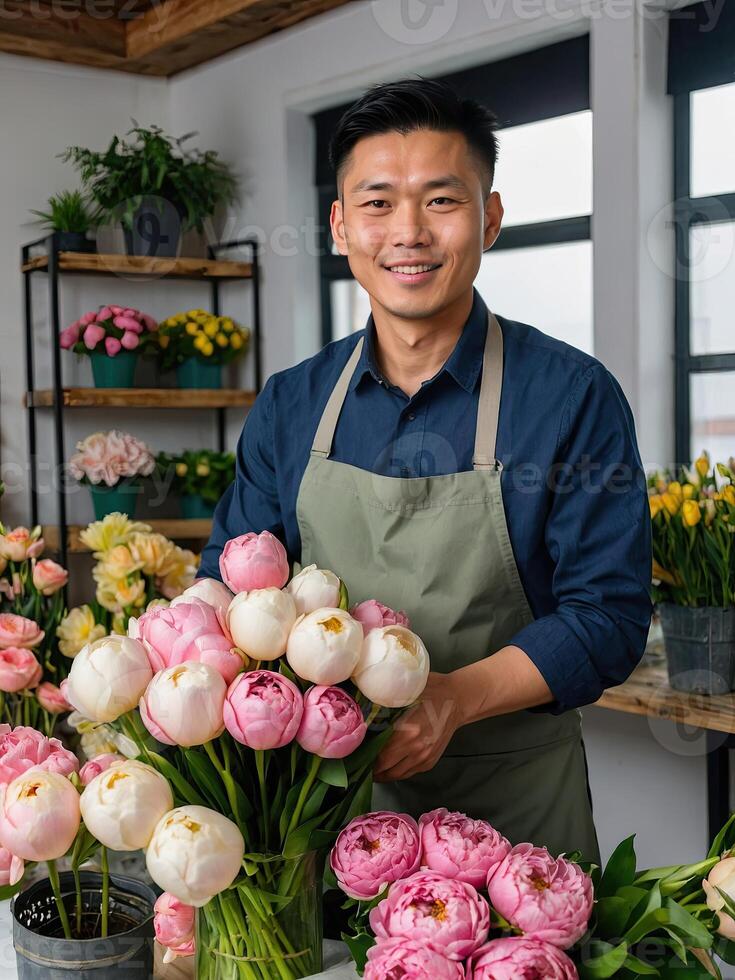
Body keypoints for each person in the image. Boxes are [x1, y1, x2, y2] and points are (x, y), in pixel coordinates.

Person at [199, 77, 653, 865]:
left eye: (441, 201)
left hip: (512, 820)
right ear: (340, 226)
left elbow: (606, 618)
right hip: (320, 812)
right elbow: (234, 588)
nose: (407, 232)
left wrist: (451, 698)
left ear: (491, 218)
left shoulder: (571, 397)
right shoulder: (291, 403)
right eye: (376, 203)